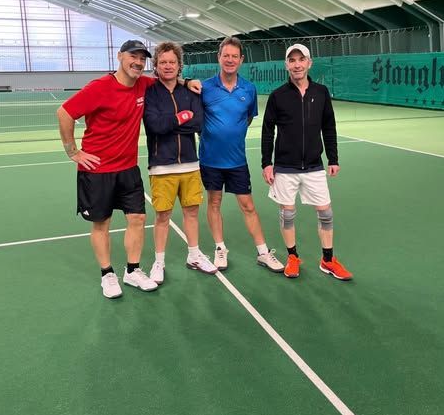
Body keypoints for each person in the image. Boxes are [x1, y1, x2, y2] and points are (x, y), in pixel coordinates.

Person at [57, 39, 201, 299]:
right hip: (97, 170)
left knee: (138, 219)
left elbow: (168, 78)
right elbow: (64, 113)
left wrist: (187, 81)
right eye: (133, 56)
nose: (138, 62)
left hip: (128, 169)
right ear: (120, 56)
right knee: (102, 223)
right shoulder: (99, 87)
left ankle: (132, 270)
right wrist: (73, 152)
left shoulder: (144, 85)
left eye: (142, 59)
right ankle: (107, 274)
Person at [261, 43, 353, 281]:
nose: (297, 65)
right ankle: (293, 257)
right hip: (285, 167)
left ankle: (328, 260)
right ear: (286, 65)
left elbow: (329, 126)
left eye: (301, 59)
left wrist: (333, 157)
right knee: (287, 214)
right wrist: (266, 163)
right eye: (292, 60)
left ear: (309, 63)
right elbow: (268, 130)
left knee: (326, 213)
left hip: (314, 165)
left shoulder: (321, 92)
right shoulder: (277, 95)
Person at [199, 36, 282, 272]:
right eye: (226, 55)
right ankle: (220, 248)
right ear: (219, 57)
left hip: (237, 160)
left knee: (248, 205)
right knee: (214, 202)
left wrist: (230, 134)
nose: (230, 60)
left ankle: (263, 253)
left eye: (234, 56)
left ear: (241, 60)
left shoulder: (249, 89)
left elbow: (247, 119)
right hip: (210, 159)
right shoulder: (204, 88)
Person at [144, 42, 217, 284]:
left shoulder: (191, 91)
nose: (168, 66)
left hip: (190, 164)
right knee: (162, 216)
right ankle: (159, 262)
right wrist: (182, 116)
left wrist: (172, 121)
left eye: (172, 62)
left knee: (191, 213)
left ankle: (194, 255)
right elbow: (155, 126)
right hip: (161, 166)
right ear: (156, 65)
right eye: (163, 62)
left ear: (179, 65)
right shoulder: (150, 93)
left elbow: (198, 123)